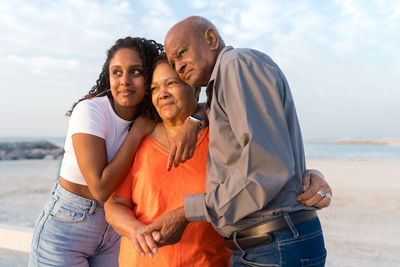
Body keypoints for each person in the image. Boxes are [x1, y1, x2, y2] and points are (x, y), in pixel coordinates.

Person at [105, 55, 331, 266]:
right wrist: (137, 232)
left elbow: (265, 164)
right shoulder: (138, 141)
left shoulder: (221, 136)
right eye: (154, 88)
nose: (161, 93)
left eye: (171, 83)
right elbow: (115, 205)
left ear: (195, 89)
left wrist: (309, 175)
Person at [28, 37, 201, 267]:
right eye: (117, 72)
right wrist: (136, 134)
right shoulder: (90, 111)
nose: (125, 81)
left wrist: (195, 121)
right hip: (68, 224)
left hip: (114, 229)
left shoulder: (151, 111)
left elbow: (201, 103)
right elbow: (99, 189)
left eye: (136, 72)